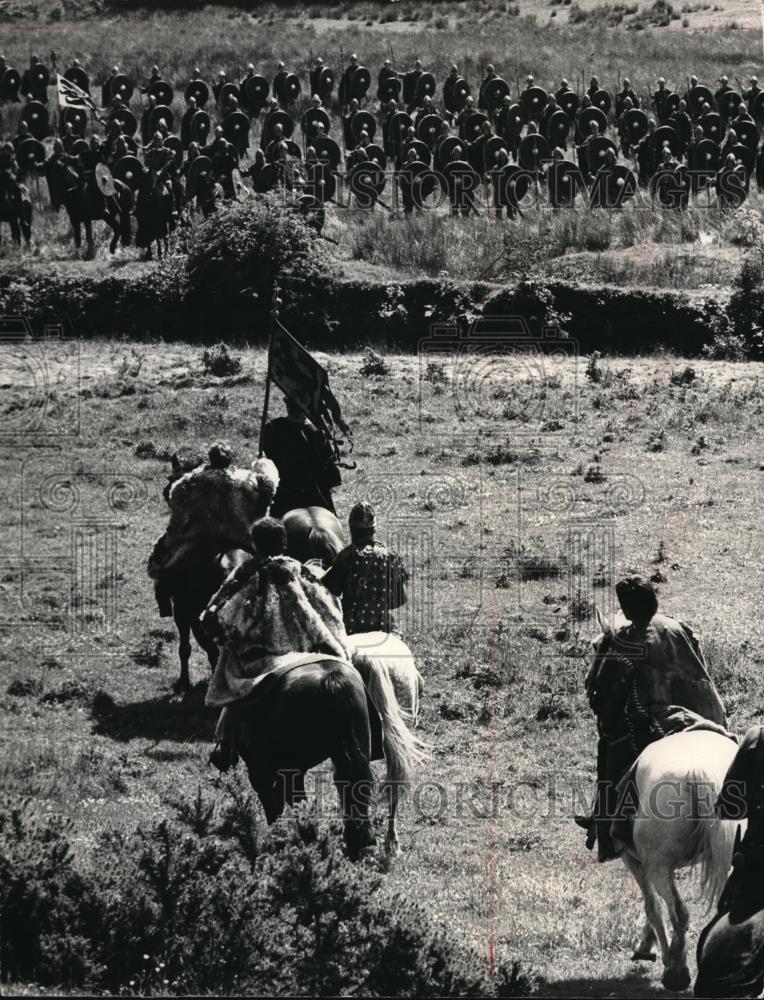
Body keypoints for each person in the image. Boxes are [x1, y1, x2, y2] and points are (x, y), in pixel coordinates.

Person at [578, 575, 727, 862]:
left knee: (611, 746)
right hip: (710, 713)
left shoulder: (627, 639)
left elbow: (605, 696)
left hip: (663, 719)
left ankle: (606, 825)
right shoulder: (679, 626)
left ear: (629, 609)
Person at [205, 515, 351, 771]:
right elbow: (329, 605)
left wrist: (227, 638)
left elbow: (216, 615)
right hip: (305, 652)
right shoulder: (301, 570)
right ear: (283, 543)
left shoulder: (247, 572)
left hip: (262, 659)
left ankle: (226, 746)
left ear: (256, 545)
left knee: (233, 684)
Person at [322, 502, 409, 636]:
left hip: (350, 628)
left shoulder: (345, 556)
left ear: (351, 529)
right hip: (382, 626)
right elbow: (399, 601)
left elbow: (329, 592)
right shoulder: (390, 556)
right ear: (373, 529)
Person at [262, 395, 342, 516]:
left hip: (285, 493)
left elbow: (268, 457)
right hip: (315, 494)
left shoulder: (272, 428)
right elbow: (329, 471)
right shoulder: (316, 431)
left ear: (287, 407)